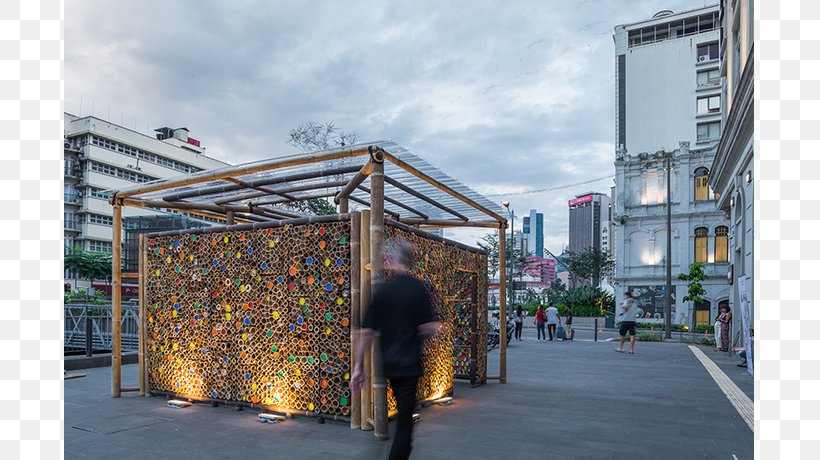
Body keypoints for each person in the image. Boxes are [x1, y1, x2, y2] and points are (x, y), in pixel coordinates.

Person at [351, 240, 440, 460]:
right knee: (404, 423)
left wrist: (358, 367)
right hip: (410, 365)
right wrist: (433, 330)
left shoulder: (383, 291)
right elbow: (427, 327)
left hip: (389, 365)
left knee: (402, 418)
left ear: (390, 260)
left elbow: (366, 332)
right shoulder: (419, 288)